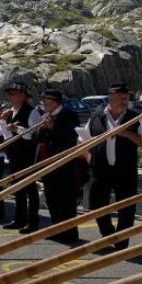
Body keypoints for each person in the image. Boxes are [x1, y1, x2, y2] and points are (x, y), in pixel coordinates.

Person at [85, 83, 142, 251]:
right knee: (97, 205)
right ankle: (107, 236)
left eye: (126, 98)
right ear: (110, 98)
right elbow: (84, 140)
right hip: (100, 170)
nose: (124, 101)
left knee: (126, 209)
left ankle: (121, 244)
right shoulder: (96, 116)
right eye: (120, 98)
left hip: (125, 170)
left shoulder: (135, 117)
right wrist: (89, 157)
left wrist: (127, 133)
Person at [36, 89, 80, 243]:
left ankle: (69, 233)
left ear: (54, 102)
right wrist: (43, 128)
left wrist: (53, 126)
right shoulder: (46, 116)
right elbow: (39, 138)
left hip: (64, 164)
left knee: (66, 200)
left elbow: (71, 137)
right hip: (48, 162)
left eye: (47, 102)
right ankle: (56, 229)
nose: (44, 104)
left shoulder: (69, 115)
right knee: (51, 198)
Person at [0, 81, 41, 232]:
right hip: (14, 155)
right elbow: (4, 135)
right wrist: (3, 121)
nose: (11, 97)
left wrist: (17, 128)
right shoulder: (11, 112)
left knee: (30, 189)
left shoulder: (32, 112)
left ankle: (33, 222)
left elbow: (34, 134)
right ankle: (19, 219)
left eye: (14, 94)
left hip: (27, 156)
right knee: (18, 189)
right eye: (10, 94)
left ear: (23, 96)